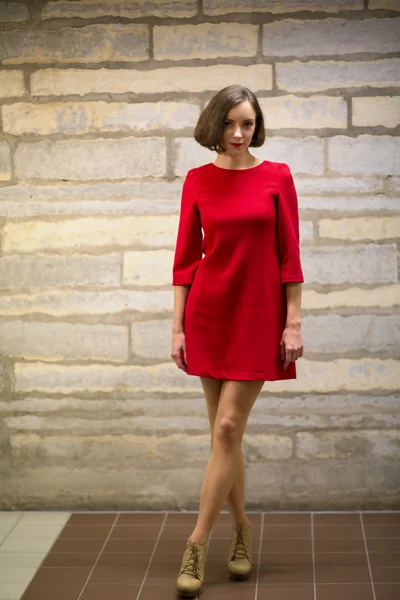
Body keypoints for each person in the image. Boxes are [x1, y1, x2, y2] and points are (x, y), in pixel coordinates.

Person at [171, 84, 304, 597]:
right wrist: (178, 327)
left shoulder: (277, 177)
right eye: (229, 124)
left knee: (227, 427)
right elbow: (185, 262)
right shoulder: (198, 181)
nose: (238, 134)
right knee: (224, 437)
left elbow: (289, 256)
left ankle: (197, 542)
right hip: (209, 313)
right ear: (214, 125)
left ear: (257, 126)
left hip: (258, 316)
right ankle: (243, 529)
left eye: (246, 124)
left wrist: (292, 322)